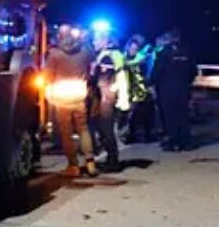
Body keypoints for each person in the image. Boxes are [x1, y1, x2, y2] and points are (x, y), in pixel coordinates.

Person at [44, 24, 97, 177]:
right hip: (79, 94)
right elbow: (92, 68)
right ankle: (90, 162)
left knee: (66, 132)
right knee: (83, 129)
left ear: (59, 36)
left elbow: (47, 77)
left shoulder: (54, 54)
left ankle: (73, 166)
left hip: (61, 97)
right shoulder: (85, 51)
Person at [90, 30, 129, 172]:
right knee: (106, 129)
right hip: (112, 95)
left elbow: (104, 79)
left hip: (107, 96)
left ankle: (113, 162)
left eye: (96, 40)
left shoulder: (107, 57)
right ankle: (112, 159)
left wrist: (93, 73)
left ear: (106, 42)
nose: (94, 42)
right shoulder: (115, 54)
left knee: (106, 129)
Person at [150, 28, 194, 151]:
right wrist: (186, 82)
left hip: (166, 90)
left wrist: (151, 83)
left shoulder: (164, 53)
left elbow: (157, 71)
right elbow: (193, 71)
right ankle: (185, 142)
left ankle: (173, 141)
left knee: (170, 116)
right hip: (183, 89)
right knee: (183, 115)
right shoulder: (187, 52)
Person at [125, 35, 156, 143]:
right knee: (132, 114)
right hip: (129, 89)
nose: (133, 50)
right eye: (131, 48)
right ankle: (131, 134)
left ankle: (148, 134)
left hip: (143, 89)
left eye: (135, 49)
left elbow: (147, 73)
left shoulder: (142, 59)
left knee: (145, 113)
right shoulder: (124, 58)